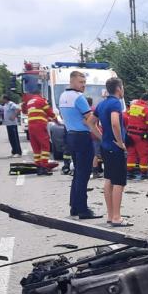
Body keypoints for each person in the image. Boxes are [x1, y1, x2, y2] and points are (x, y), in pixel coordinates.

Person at [58, 71, 101, 220]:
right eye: (80, 82)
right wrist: (101, 137)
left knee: (77, 173)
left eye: (84, 82)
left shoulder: (63, 96)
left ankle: (74, 206)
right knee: (83, 175)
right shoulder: (79, 98)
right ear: (72, 81)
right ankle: (83, 209)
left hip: (70, 135)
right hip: (82, 137)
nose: (83, 85)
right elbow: (89, 120)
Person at [96, 77, 131, 227]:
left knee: (108, 180)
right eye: (122, 87)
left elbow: (90, 122)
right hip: (115, 148)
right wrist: (120, 143)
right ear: (118, 88)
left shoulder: (102, 103)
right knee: (119, 182)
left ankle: (110, 215)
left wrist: (102, 136)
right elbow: (115, 122)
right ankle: (117, 217)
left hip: (105, 146)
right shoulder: (115, 103)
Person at [21, 88, 57, 174]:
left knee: (36, 147)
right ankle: (44, 166)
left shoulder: (29, 102)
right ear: (40, 93)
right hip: (39, 126)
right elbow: (50, 112)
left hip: (31, 126)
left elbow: (25, 111)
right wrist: (57, 121)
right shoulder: (41, 100)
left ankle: (38, 166)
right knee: (45, 146)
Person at [123, 93, 148, 180]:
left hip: (130, 134)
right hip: (140, 135)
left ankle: (129, 173)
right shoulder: (146, 109)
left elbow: (125, 117)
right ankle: (144, 173)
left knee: (131, 154)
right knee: (143, 154)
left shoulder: (132, 106)